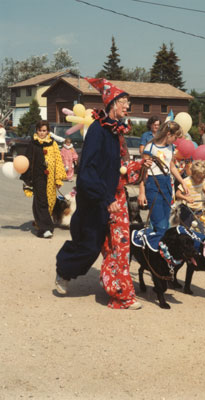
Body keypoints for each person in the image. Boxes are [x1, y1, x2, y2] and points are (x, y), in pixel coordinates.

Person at [55, 78, 145, 295]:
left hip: (110, 199)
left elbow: (117, 168)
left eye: (128, 102)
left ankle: (118, 288)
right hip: (94, 200)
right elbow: (87, 172)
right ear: (112, 103)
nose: (127, 106)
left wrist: (140, 166)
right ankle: (64, 271)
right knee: (89, 246)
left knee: (115, 245)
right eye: (123, 101)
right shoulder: (98, 130)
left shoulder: (115, 132)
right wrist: (106, 199)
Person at [100, 127, 152, 310]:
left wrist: (141, 167)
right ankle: (115, 290)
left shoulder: (121, 155)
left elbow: (128, 174)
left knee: (120, 248)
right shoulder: (101, 154)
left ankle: (121, 293)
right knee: (109, 247)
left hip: (119, 203)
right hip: (106, 201)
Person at [138, 120, 189, 237]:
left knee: (166, 223)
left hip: (166, 184)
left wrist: (182, 182)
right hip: (153, 184)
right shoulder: (151, 147)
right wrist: (142, 192)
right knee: (159, 224)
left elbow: (171, 166)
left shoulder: (170, 147)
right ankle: (155, 247)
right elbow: (143, 170)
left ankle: (161, 249)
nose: (176, 140)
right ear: (168, 134)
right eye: (175, 137)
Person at [21, 120, 67, 238]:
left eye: (44, 131)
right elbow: (27, 160)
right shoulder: (33, 143)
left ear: (48, 131)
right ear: (37, 130)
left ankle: (40, 223)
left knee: (49, 202)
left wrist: (58, 179)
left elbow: (58, 161)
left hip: (50, 179)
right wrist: (26, 177)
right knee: (41, 201)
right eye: (40, 130)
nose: (42, 133)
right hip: (37, 178)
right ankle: (46, 228)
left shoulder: (53, 144)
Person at [175, 160, 205, 231]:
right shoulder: (186, 181)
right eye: (200, 177)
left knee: (200, 229)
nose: (202, 180)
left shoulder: (203, 181)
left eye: (203, 178)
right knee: (185, 228)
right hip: (187, 209)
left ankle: (200, 239)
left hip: (198, 209)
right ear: (193, 174)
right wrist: (185, 198)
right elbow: (177, 194)